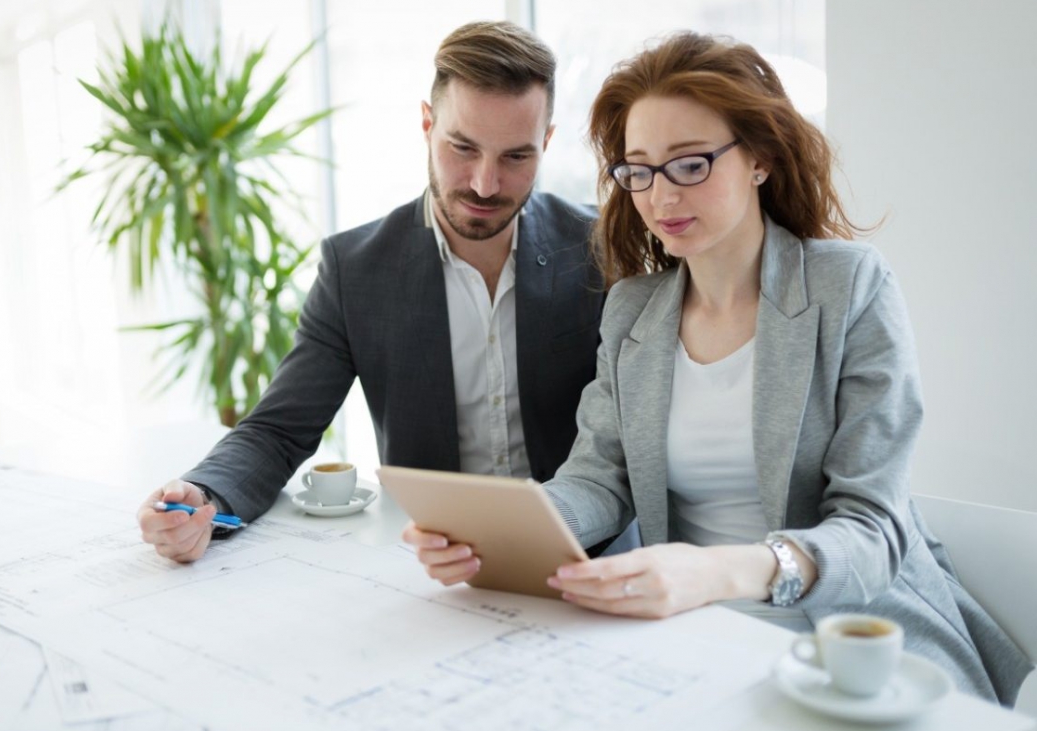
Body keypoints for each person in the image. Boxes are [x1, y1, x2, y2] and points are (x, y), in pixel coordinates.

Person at [405, 31, 1031, 704]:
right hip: (694, 636)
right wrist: (496, 525)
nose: (661, 197)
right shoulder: (633, 312)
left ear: (759, 156)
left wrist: (719, 572)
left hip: (851, 636)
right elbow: (598, 479)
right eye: (639, 170)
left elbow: (873, 531)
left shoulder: (849, 290)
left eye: (691, 164)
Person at [137, 21, 603, 563]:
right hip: (432, 569)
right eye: (462, 147)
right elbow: (279, 430)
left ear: (546, 143)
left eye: (516, 157)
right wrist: (205, 494)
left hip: (587, 556)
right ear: (427, 125)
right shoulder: (354, 270)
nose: (484, 183)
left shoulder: (598, 248)